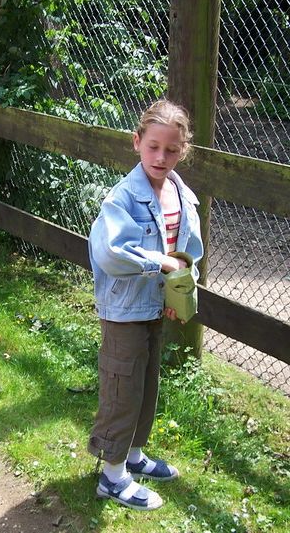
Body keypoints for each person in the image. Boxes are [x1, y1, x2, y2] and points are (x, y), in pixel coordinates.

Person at [87, 100, 203, 511]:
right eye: (153, 147)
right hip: (124, 311)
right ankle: (112, 475)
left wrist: (176, 292)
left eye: (171, 150)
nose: (161, 157)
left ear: (183, 150)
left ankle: (133, 455)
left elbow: (189, 250)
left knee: (146, 383)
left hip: (155, 306)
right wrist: (160, 263)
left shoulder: (180, 194)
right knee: (122, 387)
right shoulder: (122, 198)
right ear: (137, 142)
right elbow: (111, 254)